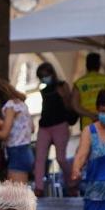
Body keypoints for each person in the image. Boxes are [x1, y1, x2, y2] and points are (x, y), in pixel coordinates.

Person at [33, 63, 77, 197]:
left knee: (61, 158)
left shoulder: (62, 86)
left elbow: (70, 105)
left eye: (46, 75)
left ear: (52, 73)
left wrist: (63, 96)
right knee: (40, 157)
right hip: (44, 126)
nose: (44, 78)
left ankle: (71, 184)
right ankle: (39, 187)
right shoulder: (43, 89)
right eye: (41, 76)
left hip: (60, 124)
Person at [0, 78, 34, 185]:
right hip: (26, 151)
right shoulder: (21, 104)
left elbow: (4, 134)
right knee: (20, 195)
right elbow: (32, 128)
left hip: (17, 152)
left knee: (16, 197)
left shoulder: (10, 106)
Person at [73, 52, 105, 128]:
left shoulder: (79, 83)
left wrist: (90, 114)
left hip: (88, 124)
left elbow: (75, 105)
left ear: (86, 65)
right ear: (99, 65)